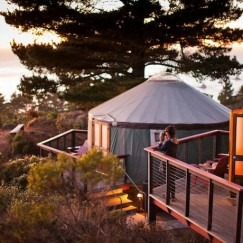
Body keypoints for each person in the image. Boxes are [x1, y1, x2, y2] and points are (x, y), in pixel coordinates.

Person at [156, 125, 179, 202]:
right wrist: (166, 139)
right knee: (172, 179)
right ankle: (173, 196)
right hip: (173, 162)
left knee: (168, 179)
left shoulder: (168, 142)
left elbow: (160, 148)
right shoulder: (175, 140)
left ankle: (168, 196)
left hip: (168, 163)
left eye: (166, 133)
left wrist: (161, 140)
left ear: (168, 133)